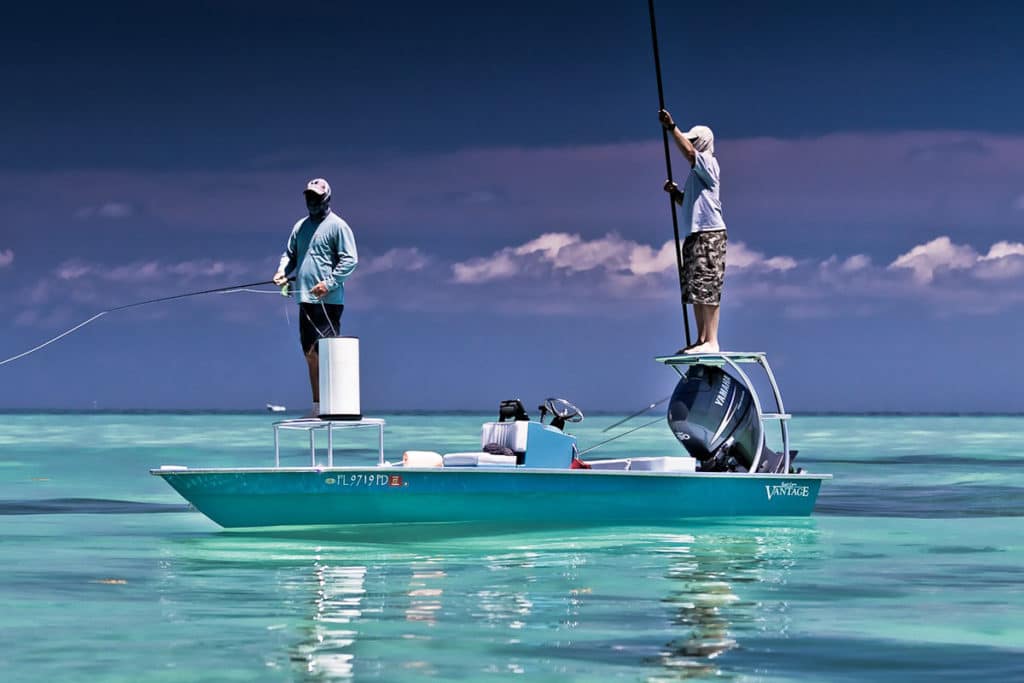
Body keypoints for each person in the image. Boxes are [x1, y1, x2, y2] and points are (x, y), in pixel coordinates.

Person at [273, 178, 358, 415]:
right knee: (309, 353)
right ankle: (318, 406)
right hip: (304, 299)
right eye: (309, 197)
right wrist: (282, 272)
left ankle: (334, 405)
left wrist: (329, 284)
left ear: (327, 198)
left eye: (317, 198)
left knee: (327, 353)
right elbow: (290, 254)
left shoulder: (338, 226)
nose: (312, 202)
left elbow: (350, 260)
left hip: (328, 301)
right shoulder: (300, 226)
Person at [659, 108, 727, 354]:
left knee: (708, 288)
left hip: (710, 234)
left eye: (695, 141)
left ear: (704, 143)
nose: (691, 145)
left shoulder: (708, 162)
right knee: (696, 288)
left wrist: (671, 128)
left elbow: (689, 153)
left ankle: (712, 341)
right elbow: (692, 203)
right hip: (695, 234)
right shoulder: (697, 174)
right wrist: (676, 194)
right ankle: (702, 340)